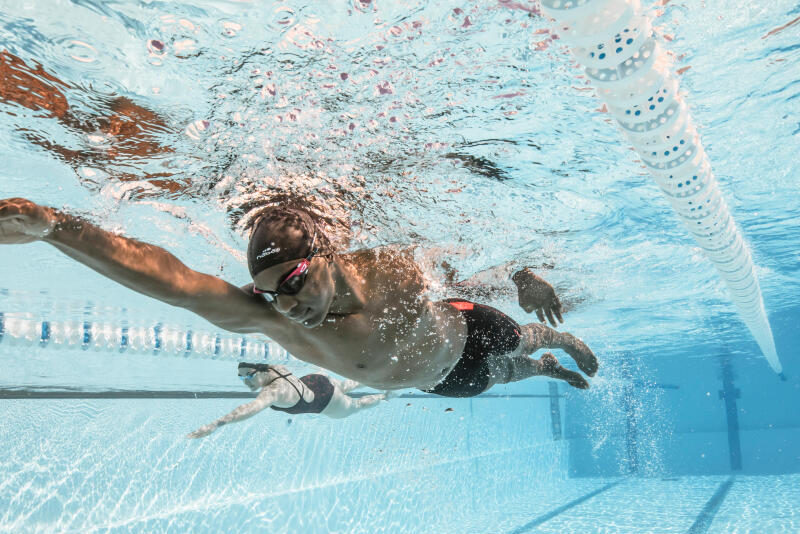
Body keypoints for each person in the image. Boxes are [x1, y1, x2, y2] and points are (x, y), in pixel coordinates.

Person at [0, 198, 598, 395]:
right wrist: (57, 227)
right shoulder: (278, 322)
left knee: (523, 338)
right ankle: (544, 371)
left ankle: (559, 341)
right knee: (507, 376)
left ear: (326, 255)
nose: (283, 305)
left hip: (468, 329)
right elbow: (175, 283)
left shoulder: (396, 269)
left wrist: (522, 276)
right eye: (267, 293)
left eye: (291, 283)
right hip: (438, 382)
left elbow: (467, 257)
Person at [187, 363, 388, 438]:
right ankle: (381, 375)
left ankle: (385, 395)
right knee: (347, 385)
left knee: (357, 405)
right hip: (318, 381)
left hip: (326, 402)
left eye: (247, 376)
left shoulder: (273, 391)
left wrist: (215, 424)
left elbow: (250, 409)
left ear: (258, 371)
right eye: (241, 378)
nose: (245, 382)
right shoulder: (276, 368)